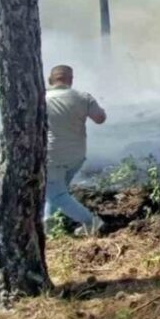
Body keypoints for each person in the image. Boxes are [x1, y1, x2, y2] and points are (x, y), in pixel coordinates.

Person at [44, 64, 107, 235]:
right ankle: (50, 227)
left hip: (52, 156)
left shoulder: (41, 98)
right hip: (77, 156)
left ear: (50, 80)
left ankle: (91, 222)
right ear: (71, 80)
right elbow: (100, 118)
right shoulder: (83, 97)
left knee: (56, 195)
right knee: (59, 190)